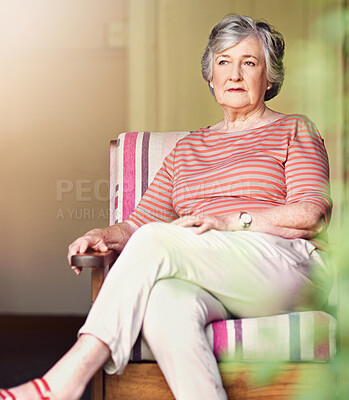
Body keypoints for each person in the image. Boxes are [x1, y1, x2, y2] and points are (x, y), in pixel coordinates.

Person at [1, 14, 333, 400]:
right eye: (224, 62)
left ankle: (63, 383)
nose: (235, 74)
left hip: (282, 265)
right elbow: (137, 226)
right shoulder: (187, 150)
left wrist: (231, 221)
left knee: (160, 239)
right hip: (210, 268)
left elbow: (313, 214)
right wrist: (101, 235)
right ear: (210, 77)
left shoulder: (294, 129)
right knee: (164, 303)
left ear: (269, 78)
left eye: (249, 62)